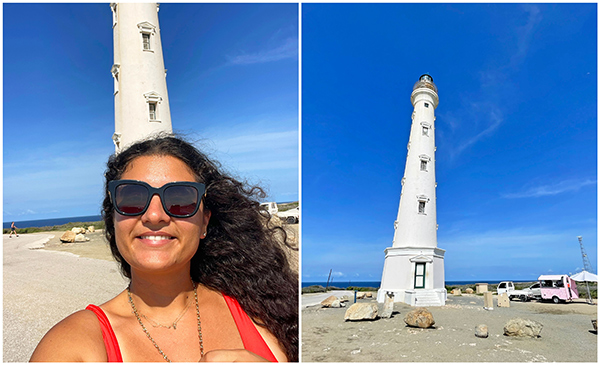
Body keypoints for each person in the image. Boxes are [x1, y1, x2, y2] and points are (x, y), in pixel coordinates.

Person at [30, 135, 298, 362]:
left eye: (180, 199)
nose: (155, 215)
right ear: (114, 220)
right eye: (133, 198)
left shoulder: (264, 311)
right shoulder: (73, 348)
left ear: (205, 221)